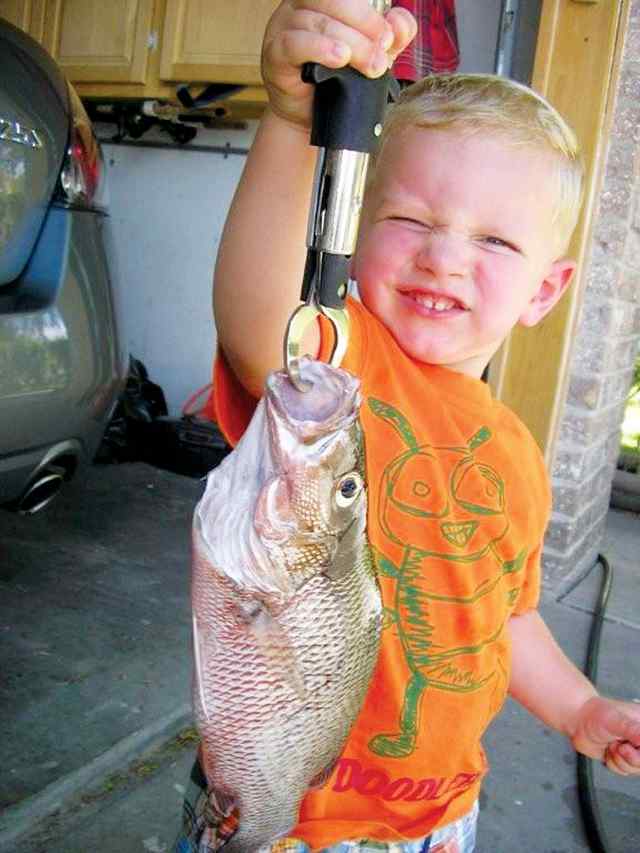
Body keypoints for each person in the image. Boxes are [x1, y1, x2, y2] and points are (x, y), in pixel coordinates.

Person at [175, 2, 640, 851]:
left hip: (440, 819)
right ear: (357, 232)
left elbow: (509, 617)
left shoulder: (520, 460)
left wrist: (580, 705)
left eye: (495, 241)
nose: (445, 257)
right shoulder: (343, 359)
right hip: (288, 813)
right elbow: (257, 312)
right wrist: (290, 118)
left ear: (546, 288)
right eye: (412, 222)